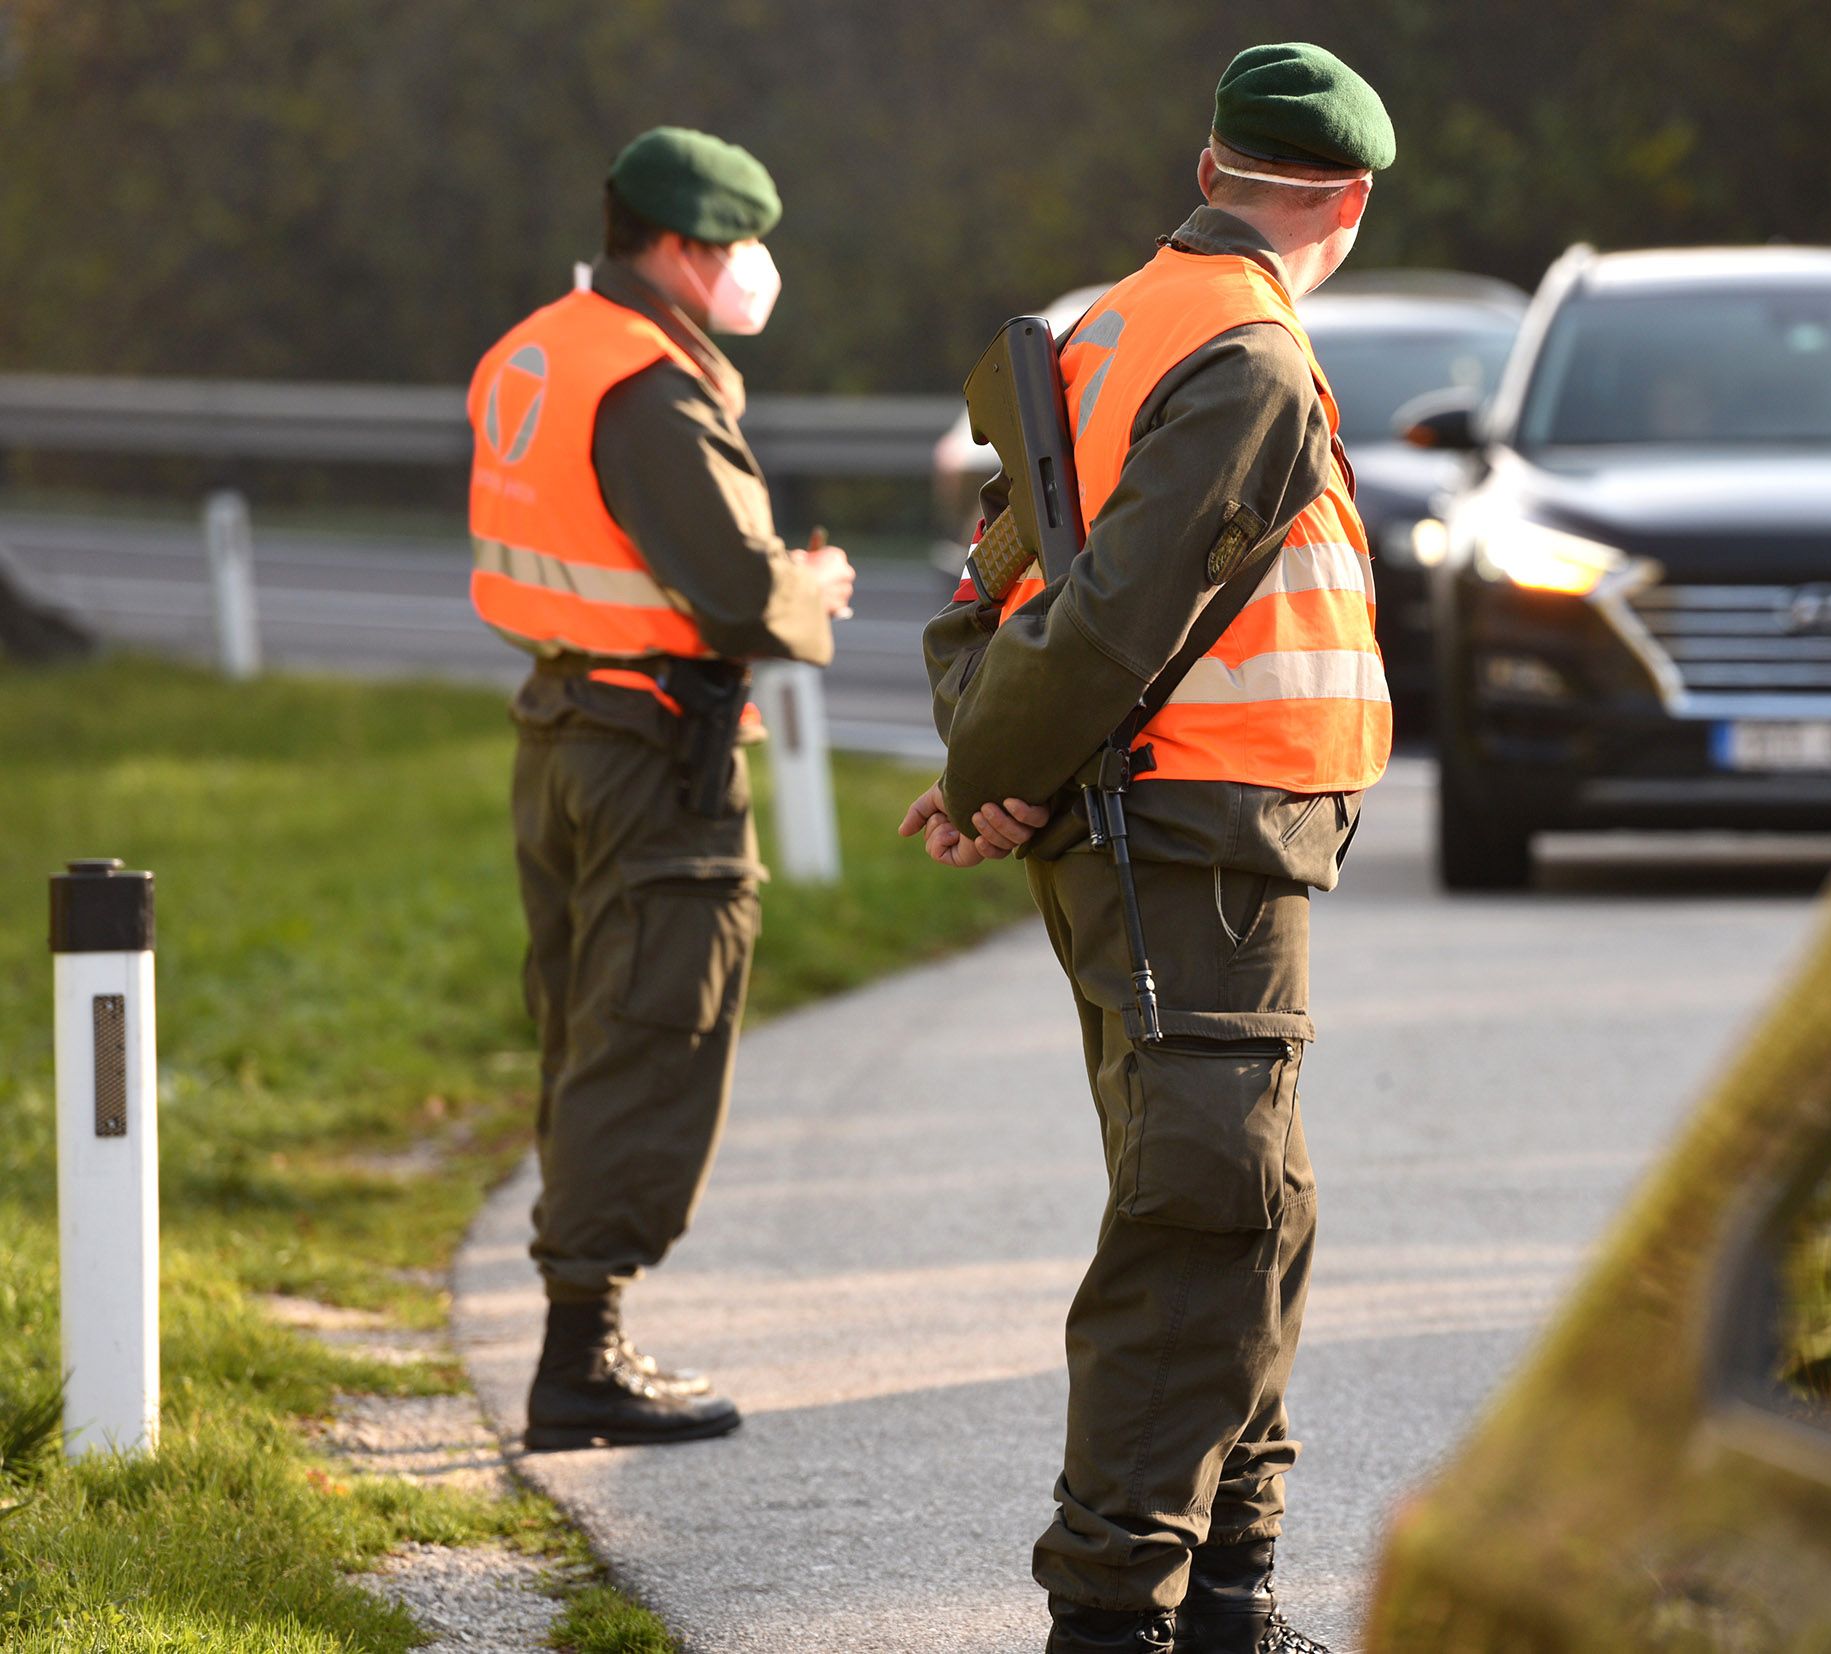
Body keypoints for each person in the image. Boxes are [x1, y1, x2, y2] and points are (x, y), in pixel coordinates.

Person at [902, 42, 1395, 1654]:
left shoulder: (1109, 327)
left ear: (1207, 172)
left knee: (1254, 1208)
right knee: (1206, 1220)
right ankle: (1117, 1617)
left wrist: (994, 772)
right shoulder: (1251, 357)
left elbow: (991, 592)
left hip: (1161, 830)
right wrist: (997, 770)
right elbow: (1114, 618)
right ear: (1352, 203)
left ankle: (1234, 1598)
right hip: (1192, 836)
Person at [465, 125, 855, 1452]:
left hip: (562, 725)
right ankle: (582, 1359)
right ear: (683, 246)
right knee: (649, 1030)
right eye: (742, 245)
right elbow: (738, 591)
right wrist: (814, 588)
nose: (756, 270)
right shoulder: (650, 384)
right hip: (652, 755)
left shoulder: (536, 349)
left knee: (588, 1027)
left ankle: (583, 1335)